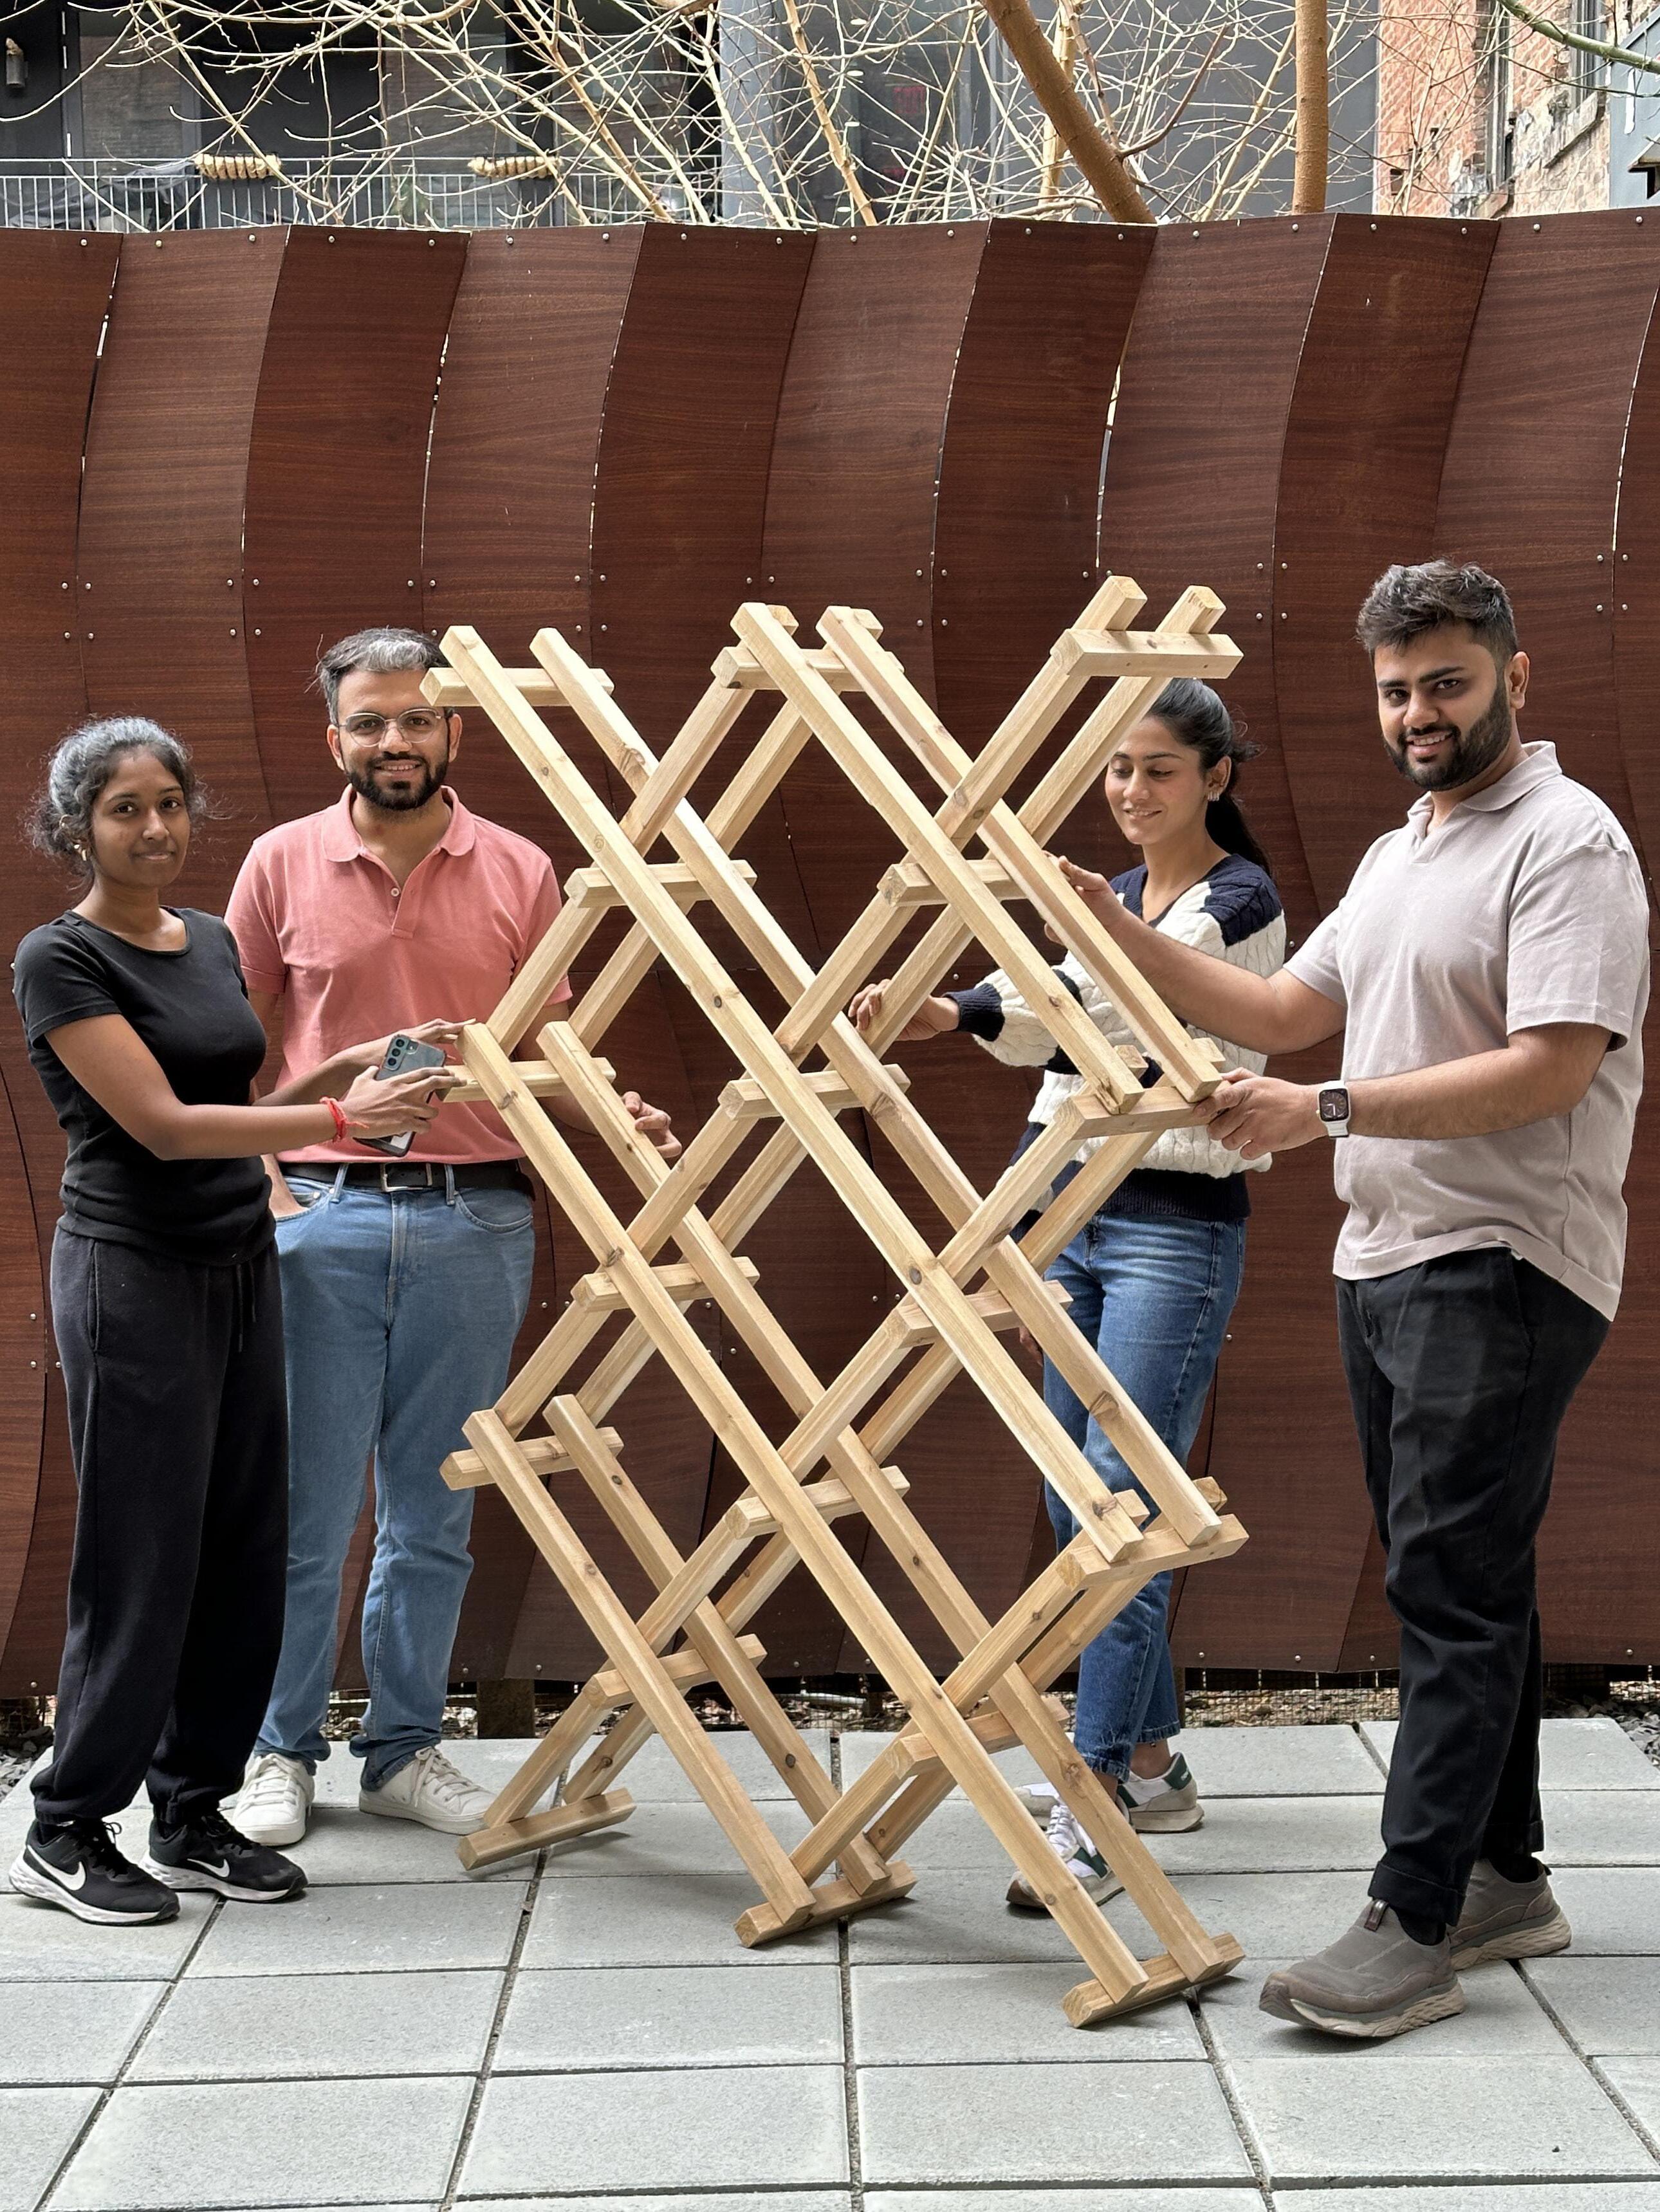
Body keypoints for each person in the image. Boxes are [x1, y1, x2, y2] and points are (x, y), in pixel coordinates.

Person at [1059, 561, 1650, 2039]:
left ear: (1515, 678)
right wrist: (1116, 929)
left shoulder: (1568, 842)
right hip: (1386, 1257)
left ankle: (1413, 1918)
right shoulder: (1401, 853)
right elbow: (1280, 1009)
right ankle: (1505, 1876)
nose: (1418, 713)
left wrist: (1321, 1108)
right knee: (1464, 1573)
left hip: (1504, 1260)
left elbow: (1553, 1067)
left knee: (1447, 1586)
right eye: (1395, 691)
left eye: (1448, 682)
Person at [225, 629, 678, 1850]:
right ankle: (278, 1751)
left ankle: (402, 1752)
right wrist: (268, 1188)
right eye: (371, 721)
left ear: (453, 730)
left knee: (432, 1511)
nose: (395, 740)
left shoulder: (522, 867)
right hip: (321, 1212)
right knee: (306, 1510)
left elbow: (547, 1048)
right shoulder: (279, 862)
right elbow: (224, 1047)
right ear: (336, 737)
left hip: (477, 1214)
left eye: (417, 718)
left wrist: (616, 1111)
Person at [851, 678, 1284, 1909]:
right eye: (1119, 769)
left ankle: (1092, 1794)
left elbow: (1115, 1006)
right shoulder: (1120, 894)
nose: (1134, 791)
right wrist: (954, 1008)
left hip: (1170, 1225)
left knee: (1117, 1504)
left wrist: (1011, 979)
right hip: (1065, 1212)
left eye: (1160, 769)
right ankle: (1153, 1759)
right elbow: (1055, 1003)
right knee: (1073, 1488)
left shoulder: (1238, 900)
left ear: (1215, 778)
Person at [8, 718, 449, 1926]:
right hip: (132, 1275)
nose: (155, 827)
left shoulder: (205, 938)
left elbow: (233, 1104)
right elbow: (161, 1125)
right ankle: (64, 1826)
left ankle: (190, 1807)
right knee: (142, 1555)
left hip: (239, 1259)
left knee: (246, 1543)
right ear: (75, 828)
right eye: (124, 809)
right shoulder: (60, 958)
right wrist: (340, 1126)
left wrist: (334, 1074)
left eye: (169, 802)